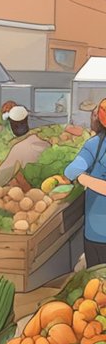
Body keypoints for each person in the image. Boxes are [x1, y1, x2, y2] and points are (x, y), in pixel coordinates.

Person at [66, 99, 106, 267]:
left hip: (96, 231)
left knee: (96, 284)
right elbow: (70, 171)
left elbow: (72, 171)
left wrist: (84, 179)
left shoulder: (94, 144)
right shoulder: (94, 144)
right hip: (97, 231)